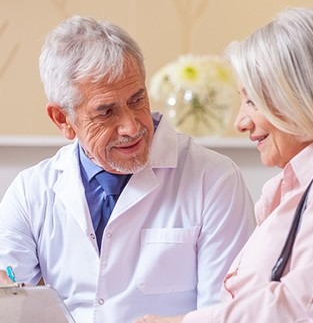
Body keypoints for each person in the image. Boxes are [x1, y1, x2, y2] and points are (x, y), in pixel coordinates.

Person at [135, 7, 313, 323]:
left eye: (252, 101)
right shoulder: (302, 180)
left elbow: (302, 308)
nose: (240, 122)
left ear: (301, 96)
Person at [0, 16, 255, 322]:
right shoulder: (31, 191)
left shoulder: (214, 179)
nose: (131, 126)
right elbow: (9, 298)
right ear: (62, 119)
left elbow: (227, 315)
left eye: (137, 100)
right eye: (106, 112)